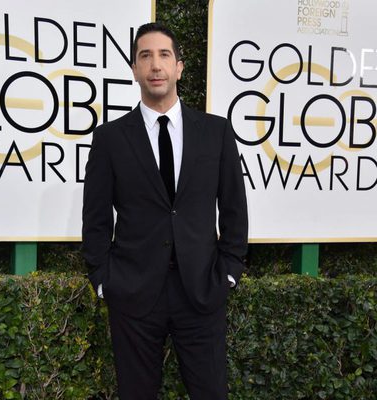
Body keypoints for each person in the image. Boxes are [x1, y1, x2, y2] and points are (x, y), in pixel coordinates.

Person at [82, 22, 248, 400]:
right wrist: (104, 279)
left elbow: (235, 208)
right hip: (133, 291)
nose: (155, 65)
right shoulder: (110, 138)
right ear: (135, 69)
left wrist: (229, 273)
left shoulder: (216, 132)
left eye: (164, 55)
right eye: (145, 56)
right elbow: (95, 217)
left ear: (179, 67)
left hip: (202, 290)